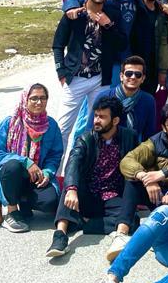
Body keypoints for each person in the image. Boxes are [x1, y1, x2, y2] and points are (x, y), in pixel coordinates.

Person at [48, 94, 140, 260]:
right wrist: (71, 189)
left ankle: (108, 232)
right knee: (71, 186)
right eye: (96, 115)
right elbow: (73, 162)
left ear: (116, 120)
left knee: (132, 220)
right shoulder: (86, 138)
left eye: (102, 117)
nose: (96, 120)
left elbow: (137, 162)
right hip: (87, 194)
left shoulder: (129, 137)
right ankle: (60, 235)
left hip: (112, 195)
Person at [52, 0, 122, 155]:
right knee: (62, 128)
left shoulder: (112, 14)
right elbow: (58, 44)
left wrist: (109, 24)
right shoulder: (74, 14)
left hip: (100, 79)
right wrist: (61, 71)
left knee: (97, 128)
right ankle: (55, 174)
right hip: (74, 78)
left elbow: (122, 43)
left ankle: (86, 173)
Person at [0, 83, 62, 233]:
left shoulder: (51, 126)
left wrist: (48, 173)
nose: (39, 102)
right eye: (34, 98)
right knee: (13, 166)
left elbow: (54, 156)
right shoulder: (10, 124)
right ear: (25, 100)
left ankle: (23, 202)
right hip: (11, 175)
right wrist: (26, 161)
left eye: (43, 98)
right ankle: (12, 211)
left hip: (36, 177)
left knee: (50, 201)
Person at [108, 55, 157, 144]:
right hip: (106, 149)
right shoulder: (105, 97)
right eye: (129, 73)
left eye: (138, 75)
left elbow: (149, 134)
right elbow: (91, 130)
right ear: (121, 76)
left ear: (143, 79)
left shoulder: (148, 100)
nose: (133, 77)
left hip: (135, 150)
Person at [130, 0, 165, 93]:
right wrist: (71, 4)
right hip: (132, 65)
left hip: (151, 68)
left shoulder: (161, 12)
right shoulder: (134, 4)